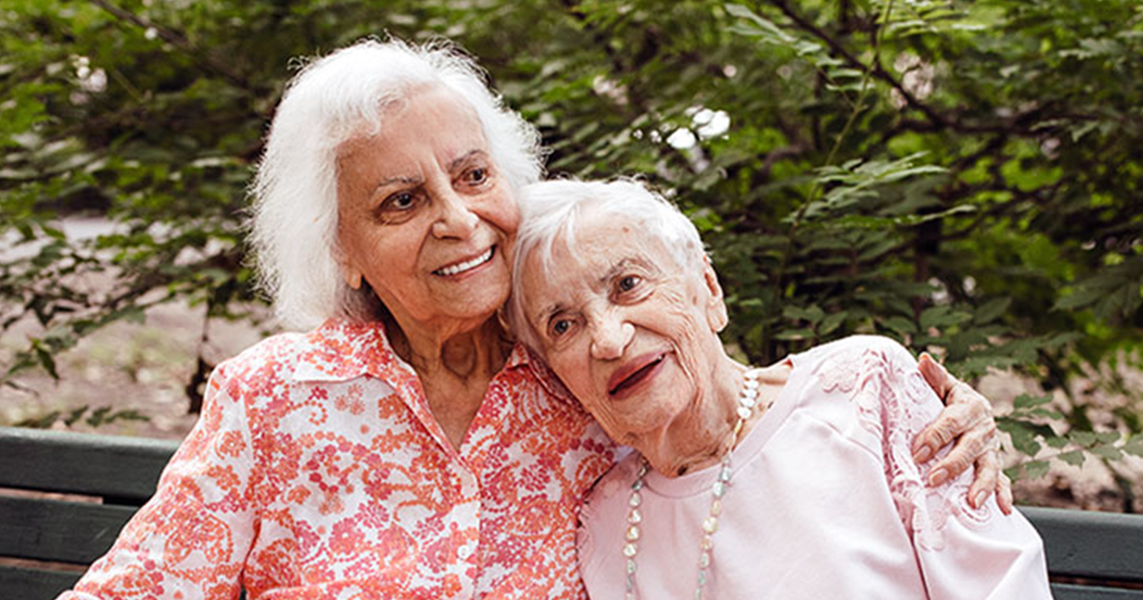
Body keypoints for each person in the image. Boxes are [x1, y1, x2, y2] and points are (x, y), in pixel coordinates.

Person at [59, 39, 1010, 600]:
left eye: (474, 176)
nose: (459, 217)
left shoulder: (578, 371)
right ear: (339, 246)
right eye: (401, 201)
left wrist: (932, 410)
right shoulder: (274, 403)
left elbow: (731, 404)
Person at [508, 178, 1052, 600]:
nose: (607, 339)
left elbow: (1004, 583)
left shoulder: (862, 389)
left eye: (628, 285)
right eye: (563, 325)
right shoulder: (603, 521)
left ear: (709, 290)